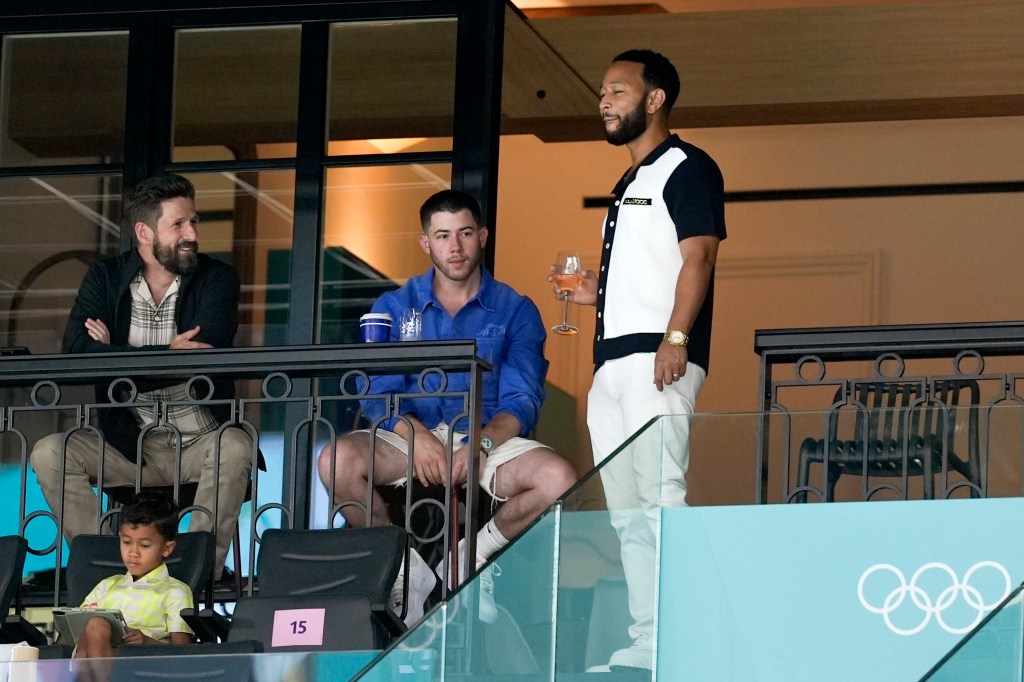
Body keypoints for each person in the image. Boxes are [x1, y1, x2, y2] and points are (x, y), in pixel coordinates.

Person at [318, 189, 577, 626]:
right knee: (335, 460)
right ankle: (402, 570)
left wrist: (480, 443)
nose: (454, 248)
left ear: (483, 236)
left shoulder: (517, 309)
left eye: (465, 234)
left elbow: (522, 399)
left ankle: (472, 560)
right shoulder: (394, 306)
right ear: (426, 243)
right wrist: (417, 438)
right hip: (406, 434)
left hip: (488, 435)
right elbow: (377, 391)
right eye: (442, 236)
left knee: (559, 480)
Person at [558, 49, 726, 672]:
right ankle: (648, 640)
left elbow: (699, 257)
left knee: (662, 500)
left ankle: (683, 635)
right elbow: (648, 271)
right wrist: (592, 294)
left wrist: (676, 341)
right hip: (613, 366)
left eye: (618, 90)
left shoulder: (686, 166)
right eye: (603, 90)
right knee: (628, 514)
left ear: (655, 100)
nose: (604, 100)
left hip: (660, 359)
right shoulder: (630, 181)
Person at [30, 174, 253, 577]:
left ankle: (194, 577)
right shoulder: (106, 277)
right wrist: (167, 353)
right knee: (50, 452)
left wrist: (116, 355)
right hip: (130, 447)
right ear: (144, 232)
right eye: (178, 225)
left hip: (201, 443)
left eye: (194, 222)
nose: (191, 234)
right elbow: (78, 353)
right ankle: (102, 576)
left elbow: (200, 357)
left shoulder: (217, 278)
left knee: (236, 444)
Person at [74, 491, 193, 665]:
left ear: (167, 549)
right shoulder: (107, 585)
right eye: (127, 542)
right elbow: (73, 634)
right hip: (91, 657)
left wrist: (146, 641)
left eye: (144, 545)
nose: (133, 553)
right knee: (93, 624)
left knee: (96, 625)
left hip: (141, 662)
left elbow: (181, 653)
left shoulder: (175, 591)